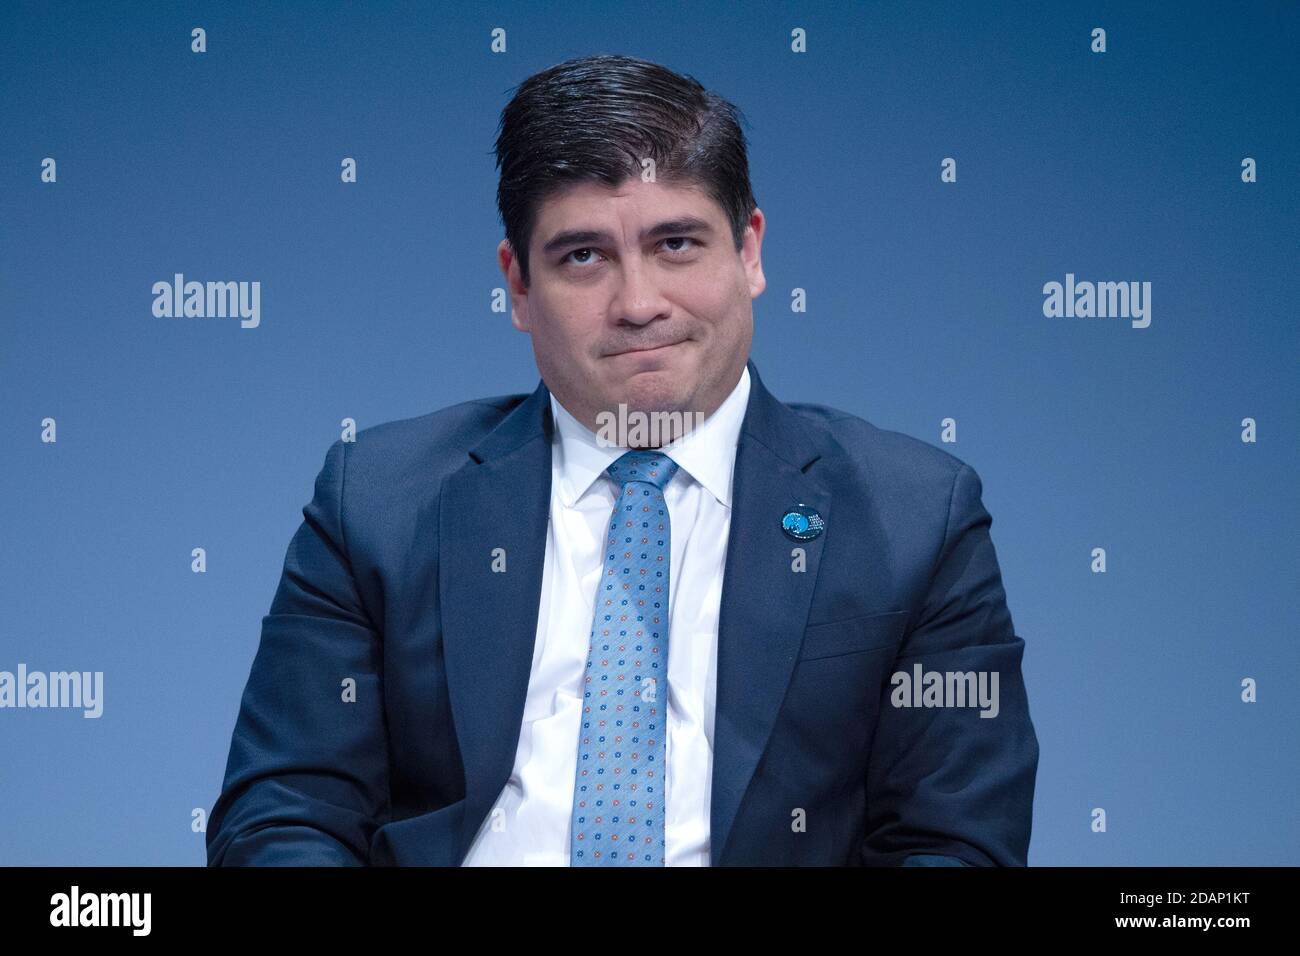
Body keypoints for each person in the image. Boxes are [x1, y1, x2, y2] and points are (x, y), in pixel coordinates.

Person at [206, 53, 1038, 867]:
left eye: (676, 244)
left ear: (749, 251)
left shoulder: (915, 516)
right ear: (518, 287)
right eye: (583, 256)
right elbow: (285, 814)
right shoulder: (379, 501)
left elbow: (954, 843)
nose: (639, 304)